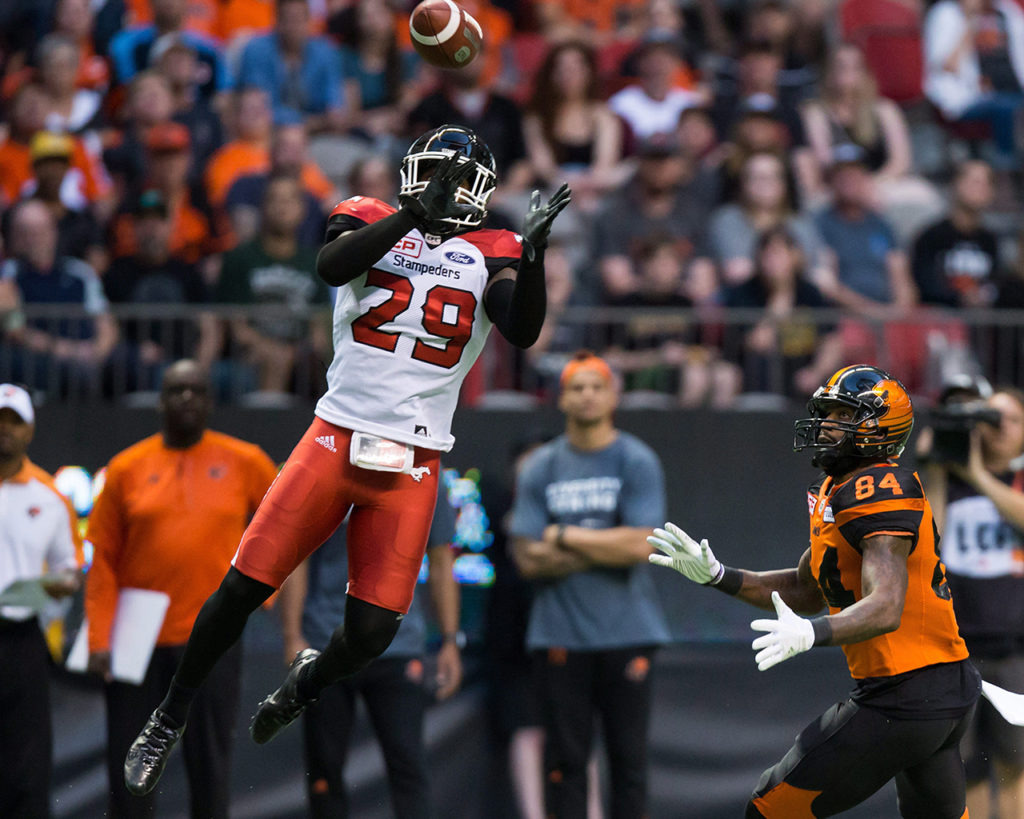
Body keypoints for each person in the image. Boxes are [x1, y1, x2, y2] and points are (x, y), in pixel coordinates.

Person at [121, 124, 572, 796]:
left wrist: (533, 260)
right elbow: (332, 267)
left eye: (453, 178)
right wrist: (414, 215)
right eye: (433, 173)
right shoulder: (365, 215)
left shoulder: (492, 250)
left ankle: (308, 680)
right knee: (243, 585)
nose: (441, 185)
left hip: (415, 457)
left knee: (371, 631)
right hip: (336, 435)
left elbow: (524, 328)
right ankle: (168, 715)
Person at [648, 364, 981, 818]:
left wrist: (812, 633)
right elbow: (805, 589)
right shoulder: (837, 488)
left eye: (843, 416)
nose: (826, 425)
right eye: (827, 413)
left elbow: (886, 607)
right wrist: (718, 574)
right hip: (938, 690)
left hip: (905, 694)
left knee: (771, 809)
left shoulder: (878, 486)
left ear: (878, 429)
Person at [85, 360, 279, 818]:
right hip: (137, 640)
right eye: (176, 390)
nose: (186, 398)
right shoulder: (126, 468)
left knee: (210, 766)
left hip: (212, 637)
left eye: (195, 389)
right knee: (128, 767)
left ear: (210, 400)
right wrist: (97, 637)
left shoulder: (245, 460)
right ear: (161, 401)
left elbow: (284, 527)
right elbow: (104, 561)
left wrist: (265, 593)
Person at [509, 350, 671, 818]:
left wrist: (563, 534)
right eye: (577, 387)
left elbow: (643, 545)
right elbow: (526, 557)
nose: (586, 396)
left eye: (595, 386)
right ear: (562, 399)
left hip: (629, 632)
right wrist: (606, 545)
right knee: (565, 763)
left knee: (629, 762)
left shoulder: (636, 459)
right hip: (559, 635)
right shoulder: (541, 467)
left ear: (613, 395)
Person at [277, 477, 462, 818]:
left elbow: (441, 560)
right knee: (324, 768)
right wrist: (292, 636)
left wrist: (450, 641)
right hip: (326, 641)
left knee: (408, 762)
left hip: (398, 642)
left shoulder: (425, 470)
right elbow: (298, 555)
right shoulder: (330, 463)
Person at [918, 384, 1024, 818]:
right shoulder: (950, 483)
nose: (997, 428)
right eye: (989, 418)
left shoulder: (1016, 482)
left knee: (1015, 764)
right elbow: (930, 543)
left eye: (1010, 420)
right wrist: (938, 464)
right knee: (967, 766)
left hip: (1014, 650)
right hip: (956, 650)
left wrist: (980, 475)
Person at [0, 383, 83, 818]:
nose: (5, 430)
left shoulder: (50, 496)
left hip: (20, 639)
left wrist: (61, 584)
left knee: (26, 766)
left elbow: (69, 567)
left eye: (14, 421)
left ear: (29, 430)